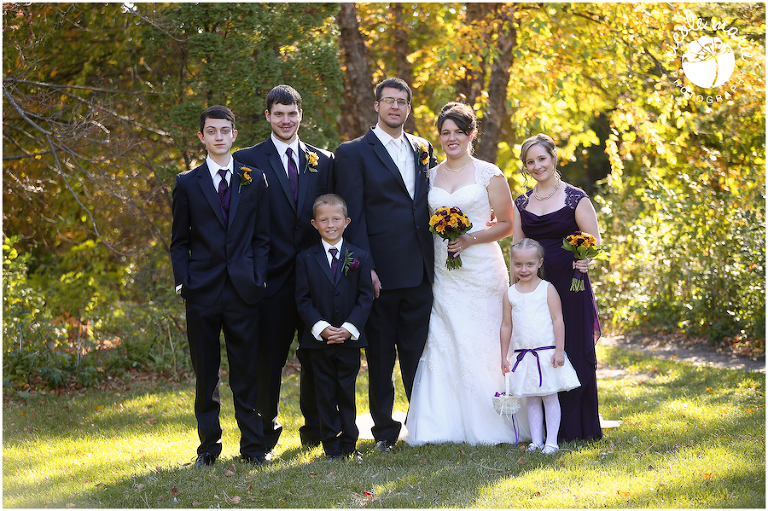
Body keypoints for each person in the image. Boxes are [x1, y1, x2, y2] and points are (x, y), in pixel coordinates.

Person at [404, 102, 528, 446]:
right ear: (439, 136)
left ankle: (496, 415)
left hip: (482, 269)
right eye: (445, 133)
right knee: (446, 336)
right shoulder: (429, 174)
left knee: (487, 337)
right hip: (445, 271)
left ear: (472, 134)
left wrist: (470, 237)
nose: (451, 138)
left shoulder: (490, 173)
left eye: (459, 132)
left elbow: (506, 223)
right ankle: (442, 422)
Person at [334, 77, 437, 452]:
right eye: (388, 101)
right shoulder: (353, 152)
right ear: (376, 106)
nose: (395, 107)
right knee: (380, 358)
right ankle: (384, 432)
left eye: (402, 102)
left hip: (420, 270)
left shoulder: (424, 148)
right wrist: (366, 268)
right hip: (378, 272)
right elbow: (353, 215)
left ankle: (422, 425)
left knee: (418, 354)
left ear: (409, 108)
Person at [234, 85, 333, 453]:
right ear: (268, 117)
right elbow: (239, 222)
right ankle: (262, 436)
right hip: (268, 279)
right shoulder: (246, 158)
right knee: (268, 359)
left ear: (300, 115)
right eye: (279, 114)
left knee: (316, 356)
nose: (286, 120)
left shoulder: (323, 160)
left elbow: (331, 216)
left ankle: (317, 430)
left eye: (291, 113)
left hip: (315, 278)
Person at [170, 105, 270, 466]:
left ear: (234, 135)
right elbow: (180, 241)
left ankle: (253, 448)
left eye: (224, 130)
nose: (218, 137)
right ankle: (208, 448)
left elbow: (262, 237)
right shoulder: (187, 183)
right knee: (206, 374)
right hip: (203, 292)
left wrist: (258, 277)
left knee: (246, 372)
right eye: (211, 131)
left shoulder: (253, 179)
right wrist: (184, 283)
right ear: (201, 137)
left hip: (244, 290)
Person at [512, 133, 603, 442]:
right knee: (541, 346)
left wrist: (585, 261)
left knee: (573, 348)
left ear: (553, 159)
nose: (537, 166)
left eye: (542, 159)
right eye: (530, 162)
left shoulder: (575, 197)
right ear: (525, 167)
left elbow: (594, 241)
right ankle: (545, 429)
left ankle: (577, 427)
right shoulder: (521, 202)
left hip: (570, 283)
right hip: (534, 286)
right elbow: (517, 245)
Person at [295, 194, 375, 459]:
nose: (330, 224)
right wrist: (322, 327)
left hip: (350, 340)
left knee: (346, 391)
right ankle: (330, 445)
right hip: (318, 341)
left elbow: (365, 296)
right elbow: (302, 298)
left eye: (336, 219)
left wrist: (349, 327)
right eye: (324, 220)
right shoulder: (305, 258)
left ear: (347, 221)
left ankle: (349, 443)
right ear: (314, 224)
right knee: (324, 393)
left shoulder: (360, 257)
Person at [501, 238, 581, 454]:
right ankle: (537, 440)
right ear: (512, 264)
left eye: (529, 264)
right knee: (532, 399)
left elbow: (558, 320)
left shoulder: (547, 289)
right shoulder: (510, 293)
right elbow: (506, 326)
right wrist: (504, 356)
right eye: (518, 264)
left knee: (549, 396)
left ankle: (552, 442)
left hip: (546, 354)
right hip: (524, 355)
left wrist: (559, 350)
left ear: (539, 263)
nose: (524, 269)